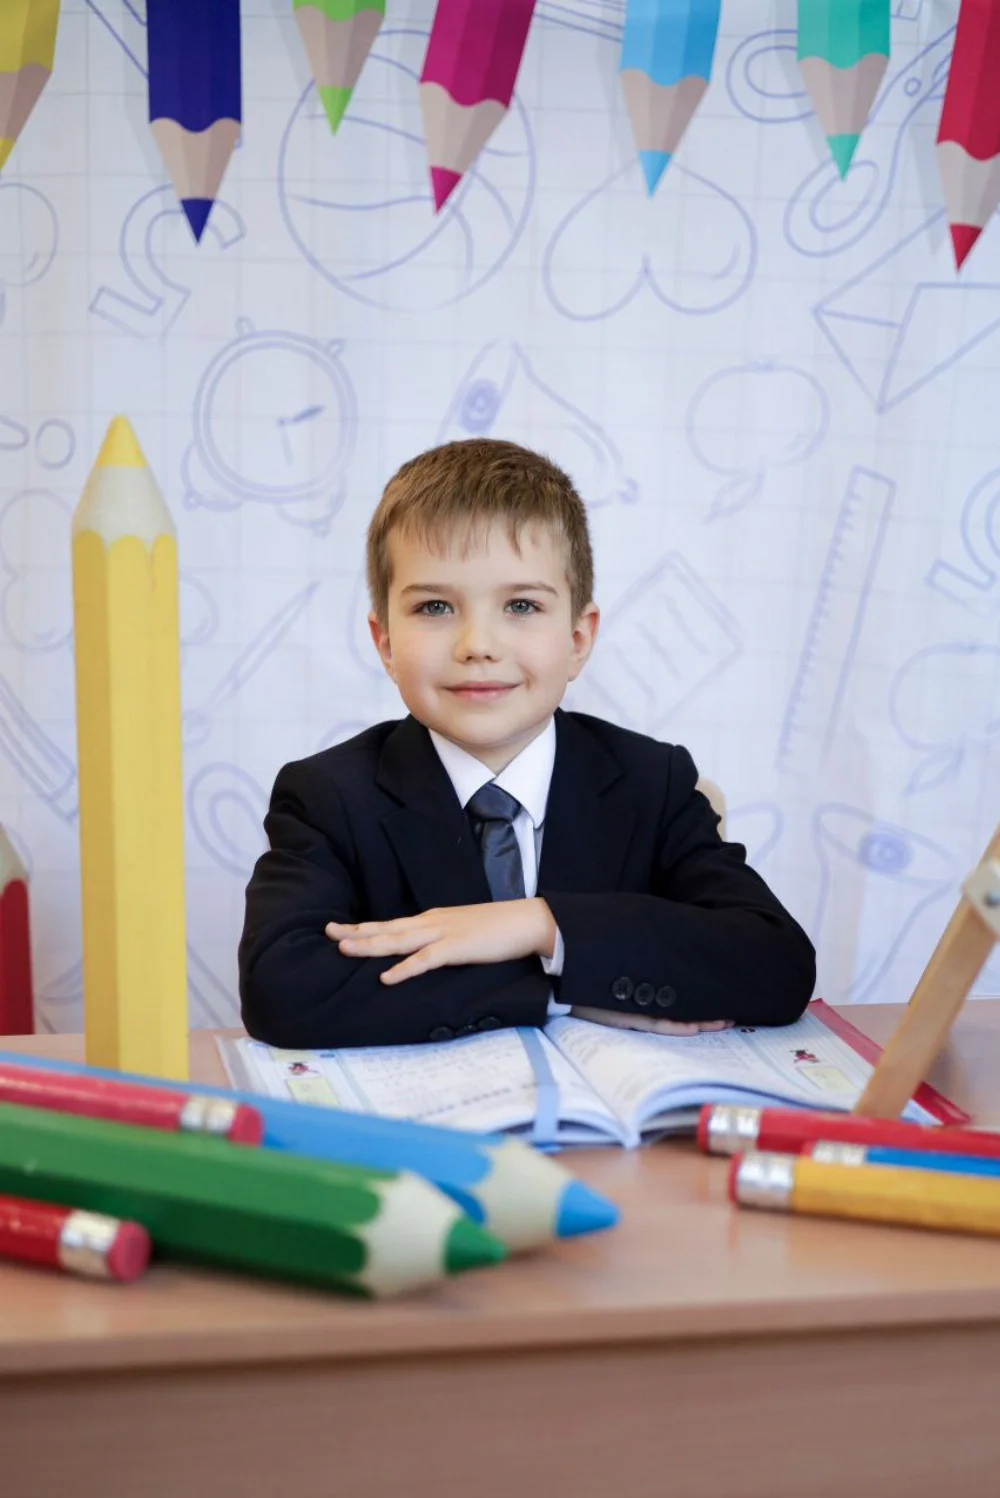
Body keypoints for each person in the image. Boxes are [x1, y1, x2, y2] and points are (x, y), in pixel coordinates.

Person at [239, 439, 815, 1048]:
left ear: (578, 639)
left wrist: (540, 924)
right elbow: (283, 988)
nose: (477, 645)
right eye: (434, 607)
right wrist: (556, 991)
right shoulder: (329, 796)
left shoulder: (652, 782)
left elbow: (776, 965)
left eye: (520, 605)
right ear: (385, 643)